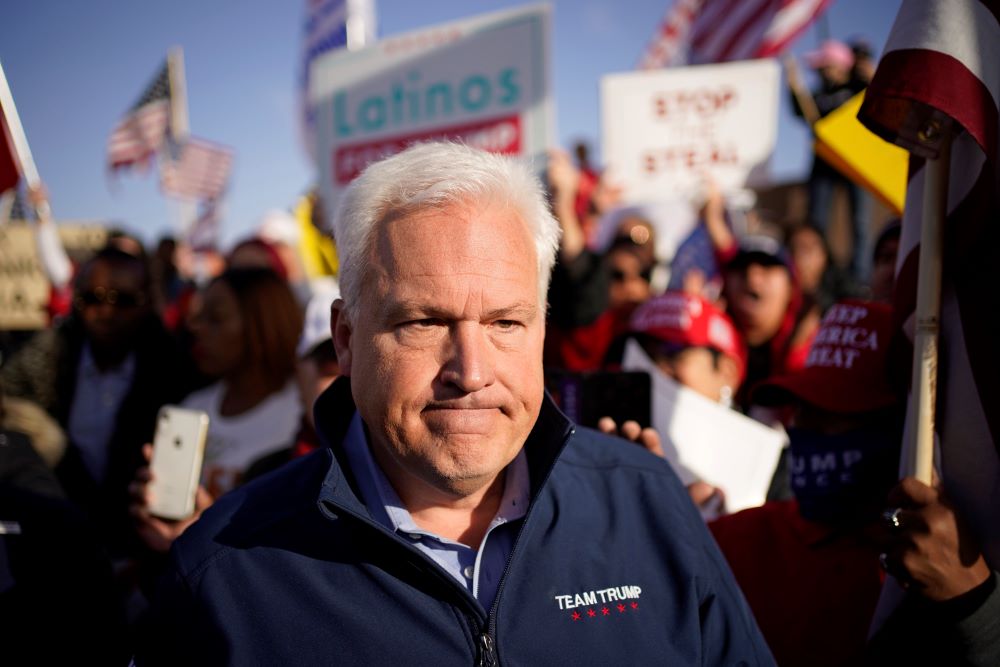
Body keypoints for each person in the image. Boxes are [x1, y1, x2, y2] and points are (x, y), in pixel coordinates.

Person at [135, 142, 772, 665]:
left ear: (544, 331)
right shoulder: (225, 572)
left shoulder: (646, 500)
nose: (470, 372)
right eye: (424, 322)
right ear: (346, 338)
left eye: (505, 323)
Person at [711, 300, 903, 666]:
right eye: (799, 410)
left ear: (894, 425)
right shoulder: (738, 539)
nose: (801, 427)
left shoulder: (941, 569)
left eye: (830, 412)